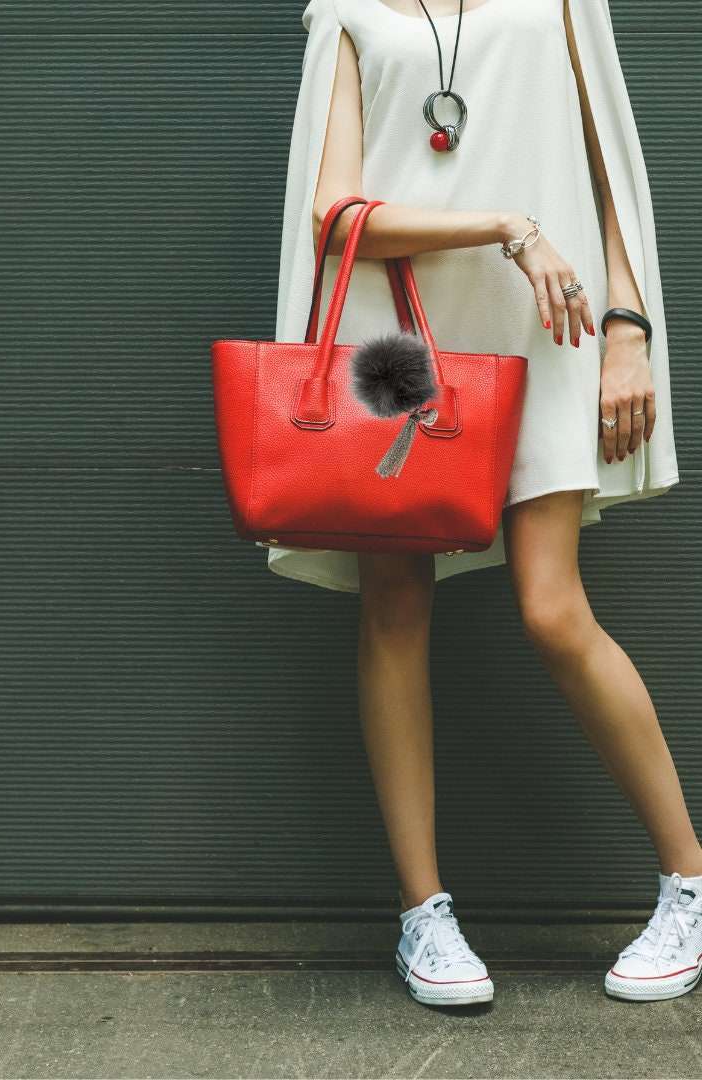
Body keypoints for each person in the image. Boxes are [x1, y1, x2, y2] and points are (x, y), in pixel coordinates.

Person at [270, 0, 697, 1006]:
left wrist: (628, 327)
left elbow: (611, 173)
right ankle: (425, 917)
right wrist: (504, 225)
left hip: (548, 324)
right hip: (396, 341)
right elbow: (333, 213)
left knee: (554, 607)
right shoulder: (349, 13)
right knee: (396, 605)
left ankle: (689, 880)